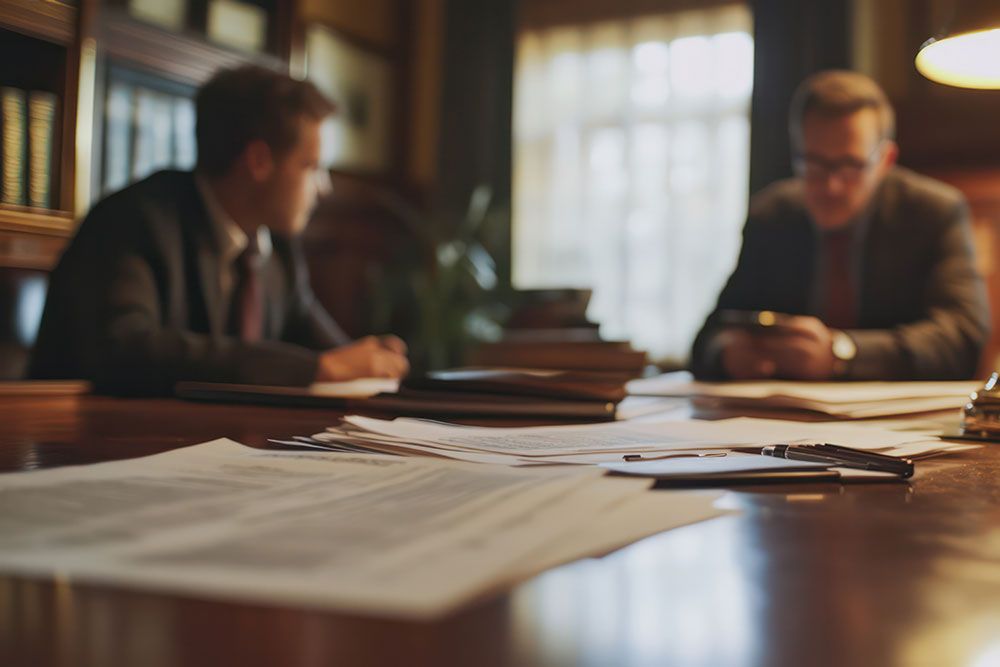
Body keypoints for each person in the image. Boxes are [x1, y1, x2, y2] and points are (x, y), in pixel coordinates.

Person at [30, 66, 409, 394]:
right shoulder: (133, 220)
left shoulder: (277, 249)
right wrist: (318, 369)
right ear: (259, 161)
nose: (323, 187)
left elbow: (331, 352)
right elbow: (125, 349)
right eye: (310, 166)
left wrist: (373, 357)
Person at [690, 70, 989, 381]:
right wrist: (726, 352)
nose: (831, 186)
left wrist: (843, 353)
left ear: (885, 160)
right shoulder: (773, 216)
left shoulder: (933, 212)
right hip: (783, 420)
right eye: (814, 164)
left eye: (850, 166)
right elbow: (708, 337)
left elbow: (963, 339)